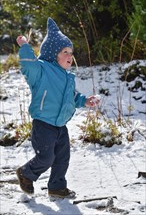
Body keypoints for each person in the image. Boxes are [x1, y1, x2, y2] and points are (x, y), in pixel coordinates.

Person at [16, 17, 100, 199]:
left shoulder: (67, 77)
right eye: (65, 52)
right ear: (54, 53)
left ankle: (57, 187)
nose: (70, 56)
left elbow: (73, 97)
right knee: (46, 158)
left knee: (62, 159)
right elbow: (29, 64)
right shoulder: (41, 71)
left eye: (71, 52)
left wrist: (85, 101)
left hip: (60, 126)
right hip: (43, 124)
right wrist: (24, 46)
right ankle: (26, 173)